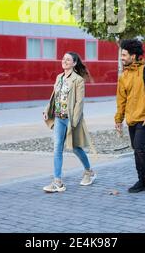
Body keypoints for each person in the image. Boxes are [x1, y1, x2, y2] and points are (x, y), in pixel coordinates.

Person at [43, 52, 96, 193]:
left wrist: (74, 121)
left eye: (68, 59)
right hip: (59, 118)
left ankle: (89, 171)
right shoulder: (59, 77)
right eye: (63, 59)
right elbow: (55, 97)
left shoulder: (78, 80)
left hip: (71, 119)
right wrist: (47, 110)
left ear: (74, 63)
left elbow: (79, 102)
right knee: (57, 148)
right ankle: (57, 181)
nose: (65, 61)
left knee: (75, 147)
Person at [115, 39, 145, 193]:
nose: (122, 57)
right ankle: (141, 181)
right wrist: (118, 119)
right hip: (131, 119)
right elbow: (121, 100)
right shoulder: (124, 76)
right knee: (136, 149)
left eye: (124, 55)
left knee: (139, 146)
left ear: (133, 56)